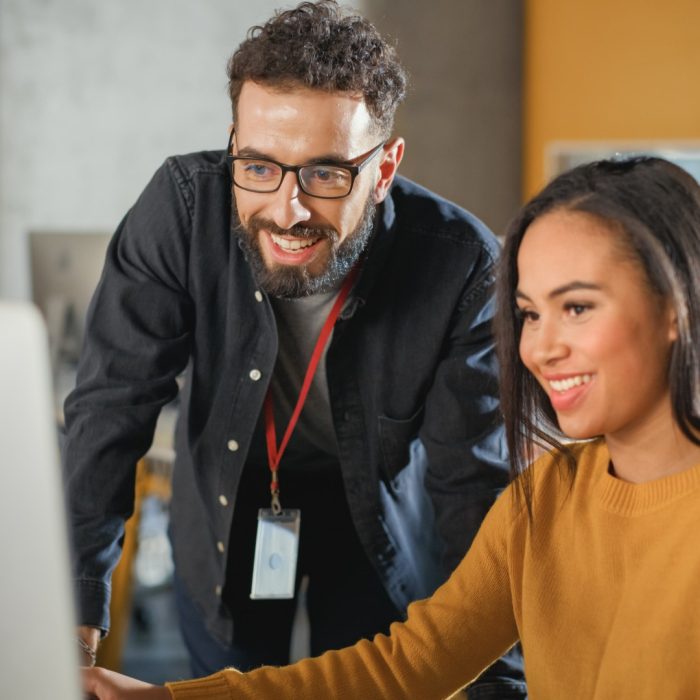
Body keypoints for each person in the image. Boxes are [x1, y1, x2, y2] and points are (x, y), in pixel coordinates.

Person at [83, 155, 700, 699]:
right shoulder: (547, 499)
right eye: (529, 314)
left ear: (676, 306)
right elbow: (408, 667)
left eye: (577, 307)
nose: (540, 348)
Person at [64, 1, 524, 696]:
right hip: (228, 501)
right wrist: (71, 615)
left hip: (376, 514)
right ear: (233, 145)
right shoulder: (183, 212)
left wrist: (497, 682)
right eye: (259, 167)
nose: (288, 209)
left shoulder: (462, 266)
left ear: (386, 166)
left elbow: (473, 491)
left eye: (327, 174)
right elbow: (110, 411)